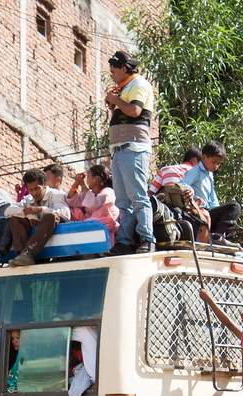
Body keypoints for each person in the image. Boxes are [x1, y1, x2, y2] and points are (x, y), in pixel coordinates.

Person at [105, 50, 156, 255]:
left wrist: (115, 100)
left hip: (133, 147)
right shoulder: (125, 87)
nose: (112, 75)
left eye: (114, 71)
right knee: (122, 201)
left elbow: (134, 111)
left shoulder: (139, 84)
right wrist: (114, 102)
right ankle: (124, 241)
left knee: (137, 196)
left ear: (125, 68)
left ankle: (146, 238)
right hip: (118, 150)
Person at [0, 168, 69, 269]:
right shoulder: (28, 199)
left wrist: (40, 209)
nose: (34, 193)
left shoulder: (56, 195)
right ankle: (21, 255)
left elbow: (65, 214)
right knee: (15, 219)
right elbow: (7, 211)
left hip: (49, 231)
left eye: (37, 188)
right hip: (34, 236)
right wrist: (26, 213)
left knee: (51, 216)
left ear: (44, 185)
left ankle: (27, 253)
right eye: (31, 190)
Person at [182, 140, 242, 247]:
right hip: (198, 214)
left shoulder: (209, 174)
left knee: (231, 214)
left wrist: (219, 213)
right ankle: (217, 237)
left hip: (209, 213)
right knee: (234, 206)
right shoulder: (196, 171)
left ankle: (219, 236)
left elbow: (213, 198)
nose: (216, 166)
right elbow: (181, 185)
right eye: (214, 162)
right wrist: (191, 194)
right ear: (204, 157)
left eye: (219, 163)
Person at [67, 164, 119, 233]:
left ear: (96, 179)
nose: (86, 180)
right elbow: (72, 202)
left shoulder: (108, 191)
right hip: (91, 225)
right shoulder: (91, 193)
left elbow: (94, 204)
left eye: (88, 176)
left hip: (103, 227)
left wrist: (83, 185)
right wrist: (76, 183)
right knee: (73, 211)